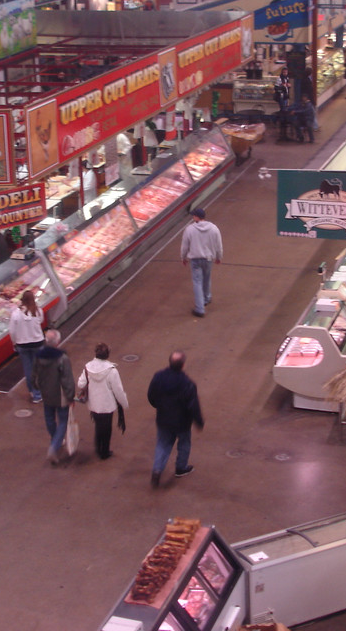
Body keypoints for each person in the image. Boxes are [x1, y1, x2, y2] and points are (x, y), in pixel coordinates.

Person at [147, 351, 204, 488]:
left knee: (162, 444)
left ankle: (157, 470)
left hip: (163, 418)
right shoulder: (188, 384)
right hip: (182, 422)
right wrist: (198, 421)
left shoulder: (158, 377)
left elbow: (151, 395)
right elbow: (193, 405)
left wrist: (159, 406)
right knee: (184, 443)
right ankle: (181, 468)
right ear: (183, 365)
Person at [77, 342, 129, 460]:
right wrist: (124, 403)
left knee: (98, 426)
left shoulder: (87, 367)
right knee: (107, 428)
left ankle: (98, 447)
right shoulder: (112, 371)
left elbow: (81, 383)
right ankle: (104, 452)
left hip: (93, 404)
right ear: (107, 354)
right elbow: (118, 391)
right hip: (107, 405)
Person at [31, 329, 76, 465]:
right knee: (63, 420)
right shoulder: (62, 359)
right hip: (60, 394)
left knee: (49, 418)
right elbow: (67, 379)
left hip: (46, 393)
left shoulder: (38, 356)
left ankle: (55, 439)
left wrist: (37, 387)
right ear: (58, 342)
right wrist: (70, 396)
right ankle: (54, 447)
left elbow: (34, 374)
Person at [180, 207, 222, 318]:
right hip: (208, 259)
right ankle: (207, 298)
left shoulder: (189, 229)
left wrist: (183, 258)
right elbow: (219, 245)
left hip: (195, 260)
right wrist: (218, 257)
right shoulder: (214, 228)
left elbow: (185, 246)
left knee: (197, 282)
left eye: (193, 216)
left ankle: (200, 308)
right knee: (207, 278)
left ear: (196, 217)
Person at [9, 289, 45, 404]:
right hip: (38, 343)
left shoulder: (15, 314)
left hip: (22, 344)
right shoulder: (38, 311)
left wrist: (14, 343)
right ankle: (41, 391)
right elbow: (41, 321)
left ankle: (34, 393)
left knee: (28, 370)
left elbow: (12, 331)